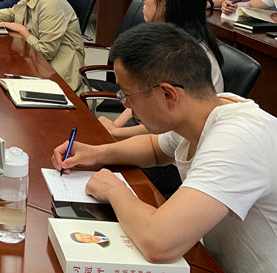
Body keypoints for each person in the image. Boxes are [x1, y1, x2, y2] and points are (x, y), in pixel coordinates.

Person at [53, 23, 277, 273]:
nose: (125, 105)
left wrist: (113, 189)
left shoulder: (237, 140)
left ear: (168, 95)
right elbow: (155, 148)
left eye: (127, 95)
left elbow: (159, 242)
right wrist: (98, 153)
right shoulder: (208, 109)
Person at [100, 0, 224, 139]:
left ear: (166, 2)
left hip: (170, 143)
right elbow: (140, 95)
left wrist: (117, 133)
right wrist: (113, 128)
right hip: (149, 129)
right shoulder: (165, 44)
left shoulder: (188, 56)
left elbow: (170, 129)